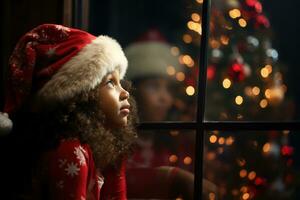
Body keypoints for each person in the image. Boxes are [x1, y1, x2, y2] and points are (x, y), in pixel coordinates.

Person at [0, 24, 138, 199]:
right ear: (82, 96)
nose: (125, 92)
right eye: (110, 82)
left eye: (121, 82)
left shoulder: (101, 149)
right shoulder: (70, 150)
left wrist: (117, 161)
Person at [124, 29, 218, 199]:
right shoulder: (116, 144)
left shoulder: (174, 144)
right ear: (132, 91)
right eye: (154, 86)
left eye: (169, 89)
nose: (164, 98)